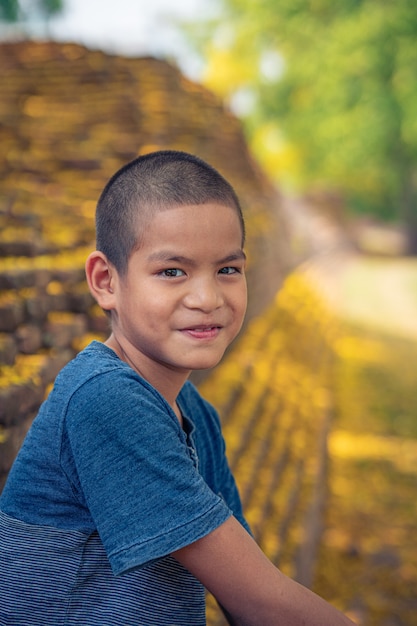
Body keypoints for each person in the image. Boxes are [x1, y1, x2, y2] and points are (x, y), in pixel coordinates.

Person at [0, 150, 355, 625]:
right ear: (106, 281)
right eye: (173, 272)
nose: (207, 299)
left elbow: (244, 593)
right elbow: (263, 602)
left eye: (228, 269)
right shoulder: (104, 400)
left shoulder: (194, 412)